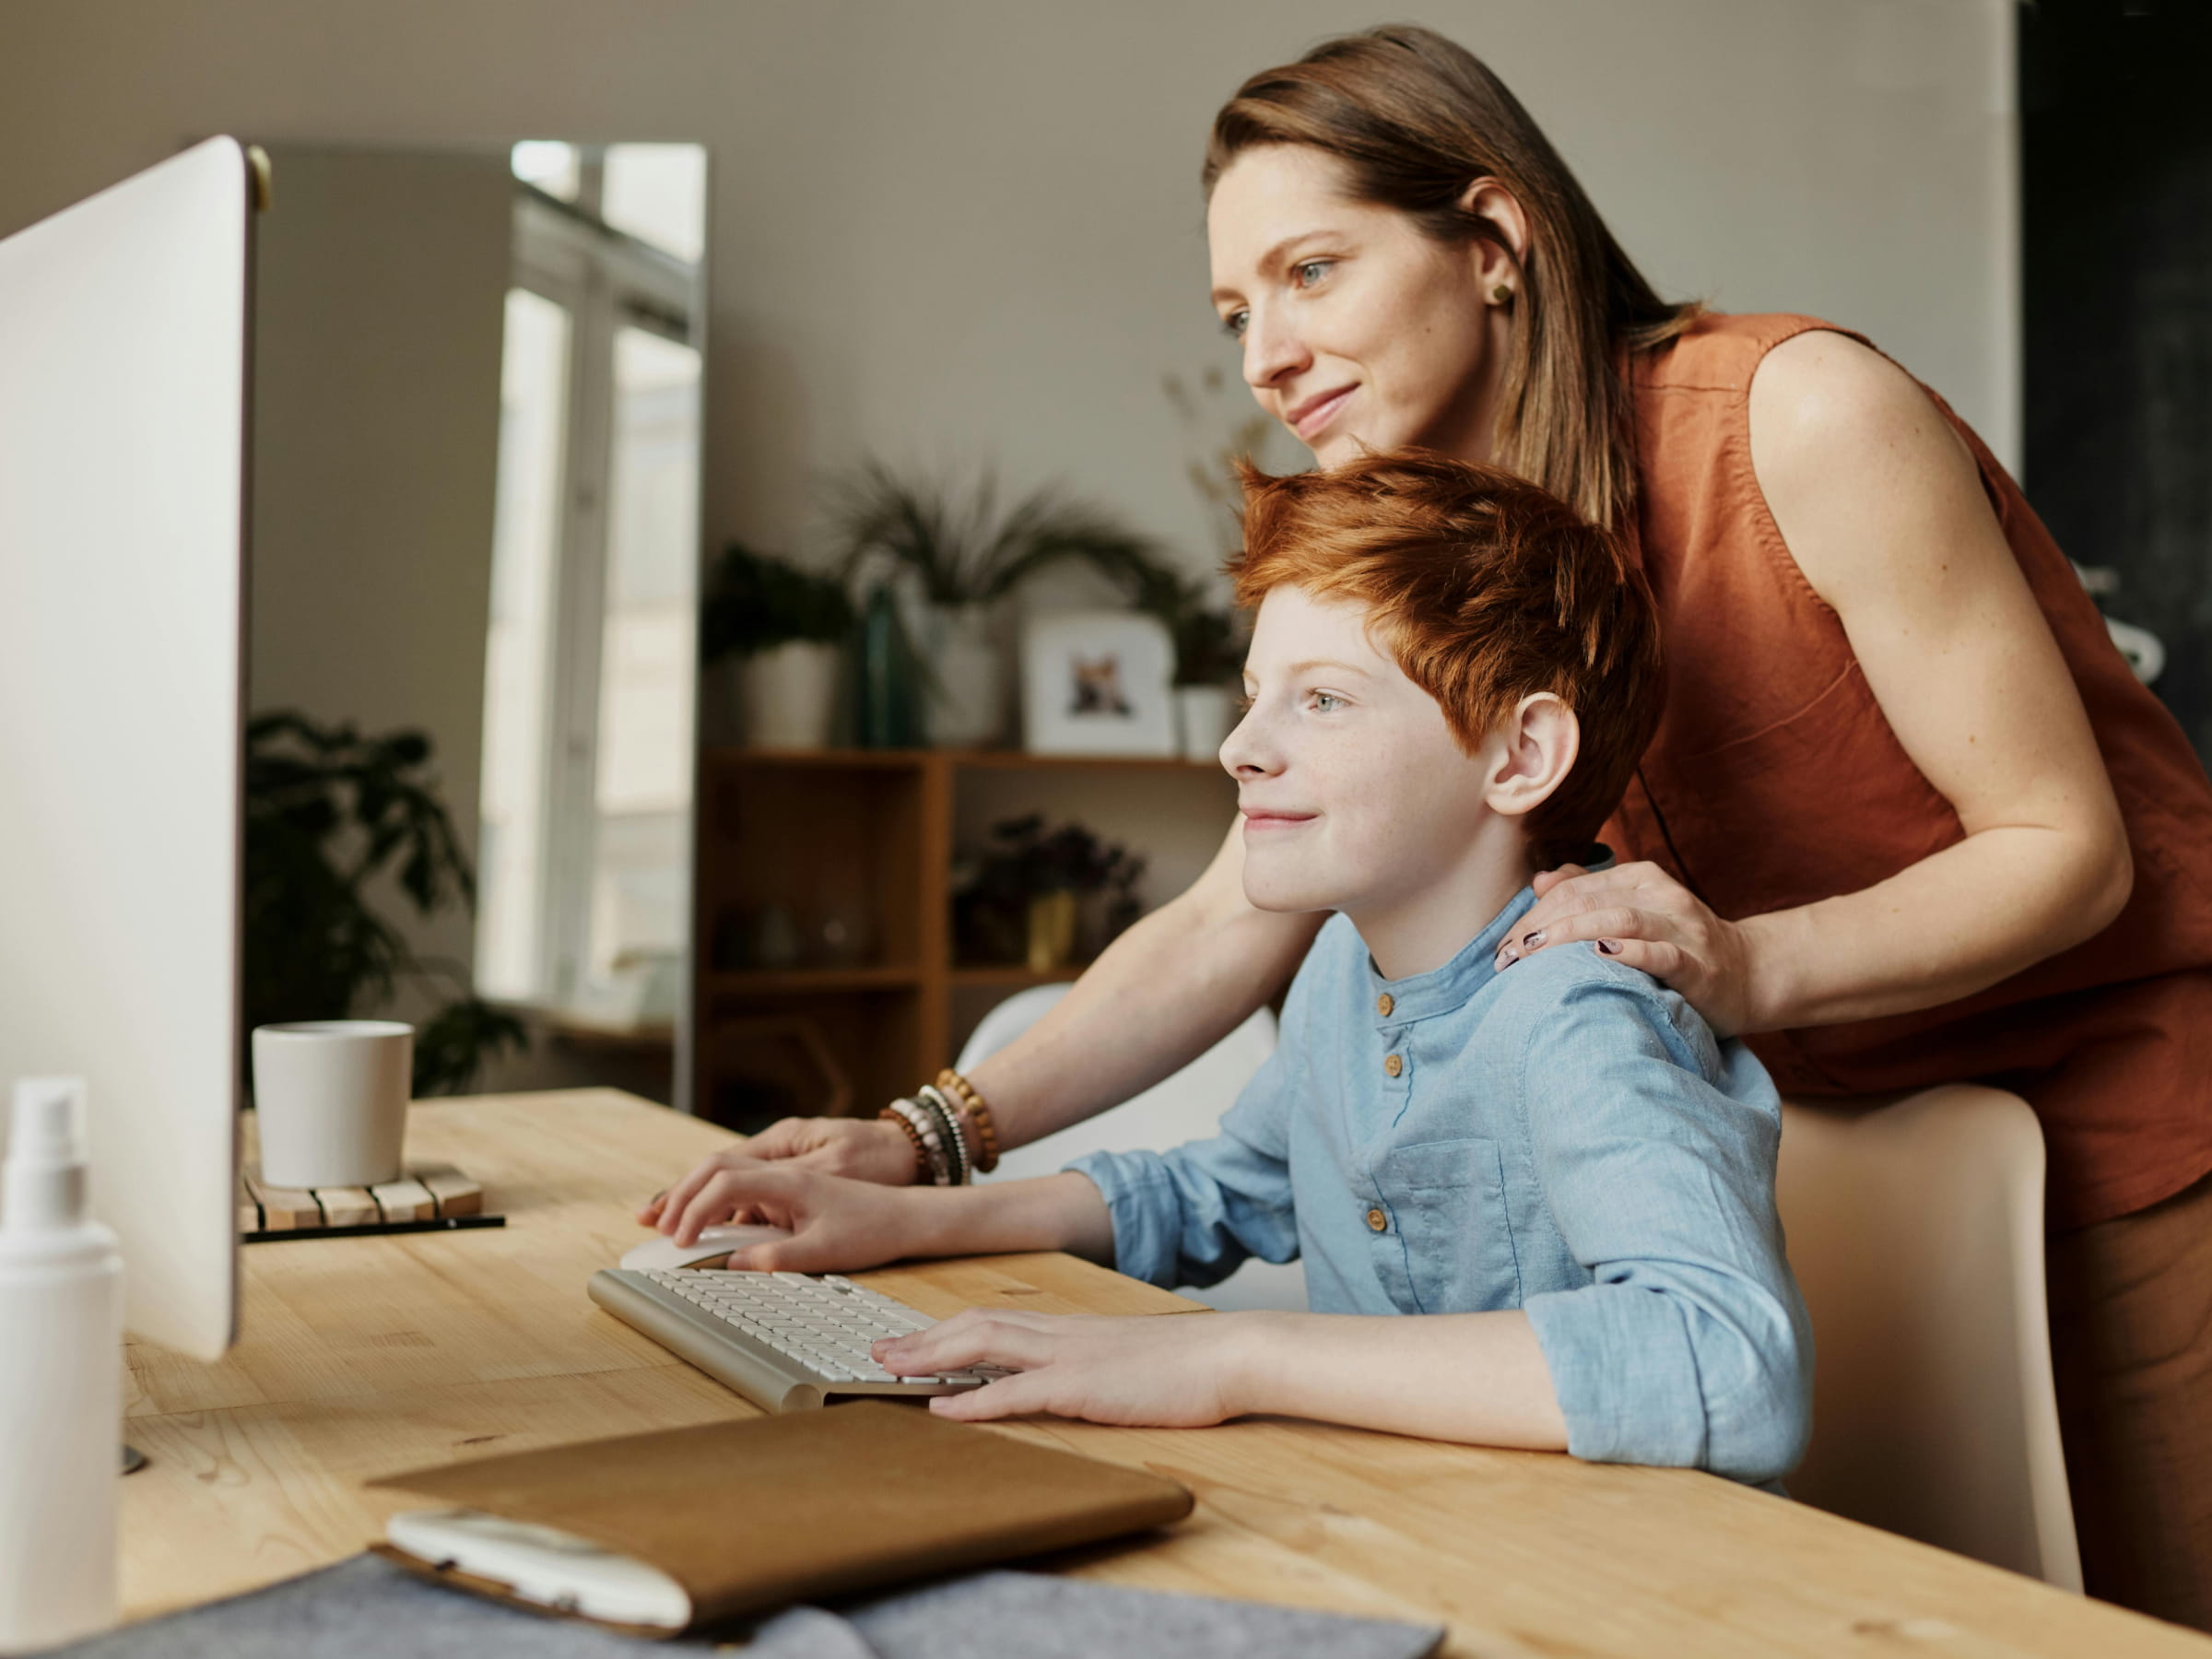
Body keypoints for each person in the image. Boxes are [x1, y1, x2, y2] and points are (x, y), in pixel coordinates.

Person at [653, 26, 2212, 1625]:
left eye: (1310, 271)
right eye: (1237, 310)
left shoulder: (1799, 415)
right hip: (1825, 1137)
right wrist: (924, 1140)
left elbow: (2063, 848)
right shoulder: (1449, 553)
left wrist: (1741, 967)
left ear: (1494, 245)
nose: (1265, 352)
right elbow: (1229, 917)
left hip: (2123, 1128)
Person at [655, 453, 1812, 1482]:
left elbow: (1729, 1360)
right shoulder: (1339, 976)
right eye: (1258, 694)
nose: (1241, 746)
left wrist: (1232, 1355)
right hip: (1394, 1521)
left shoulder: (1581, 1013)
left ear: (1519, 754)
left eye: (1321, 700)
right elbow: (1227, 1190)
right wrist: (901, 1218)